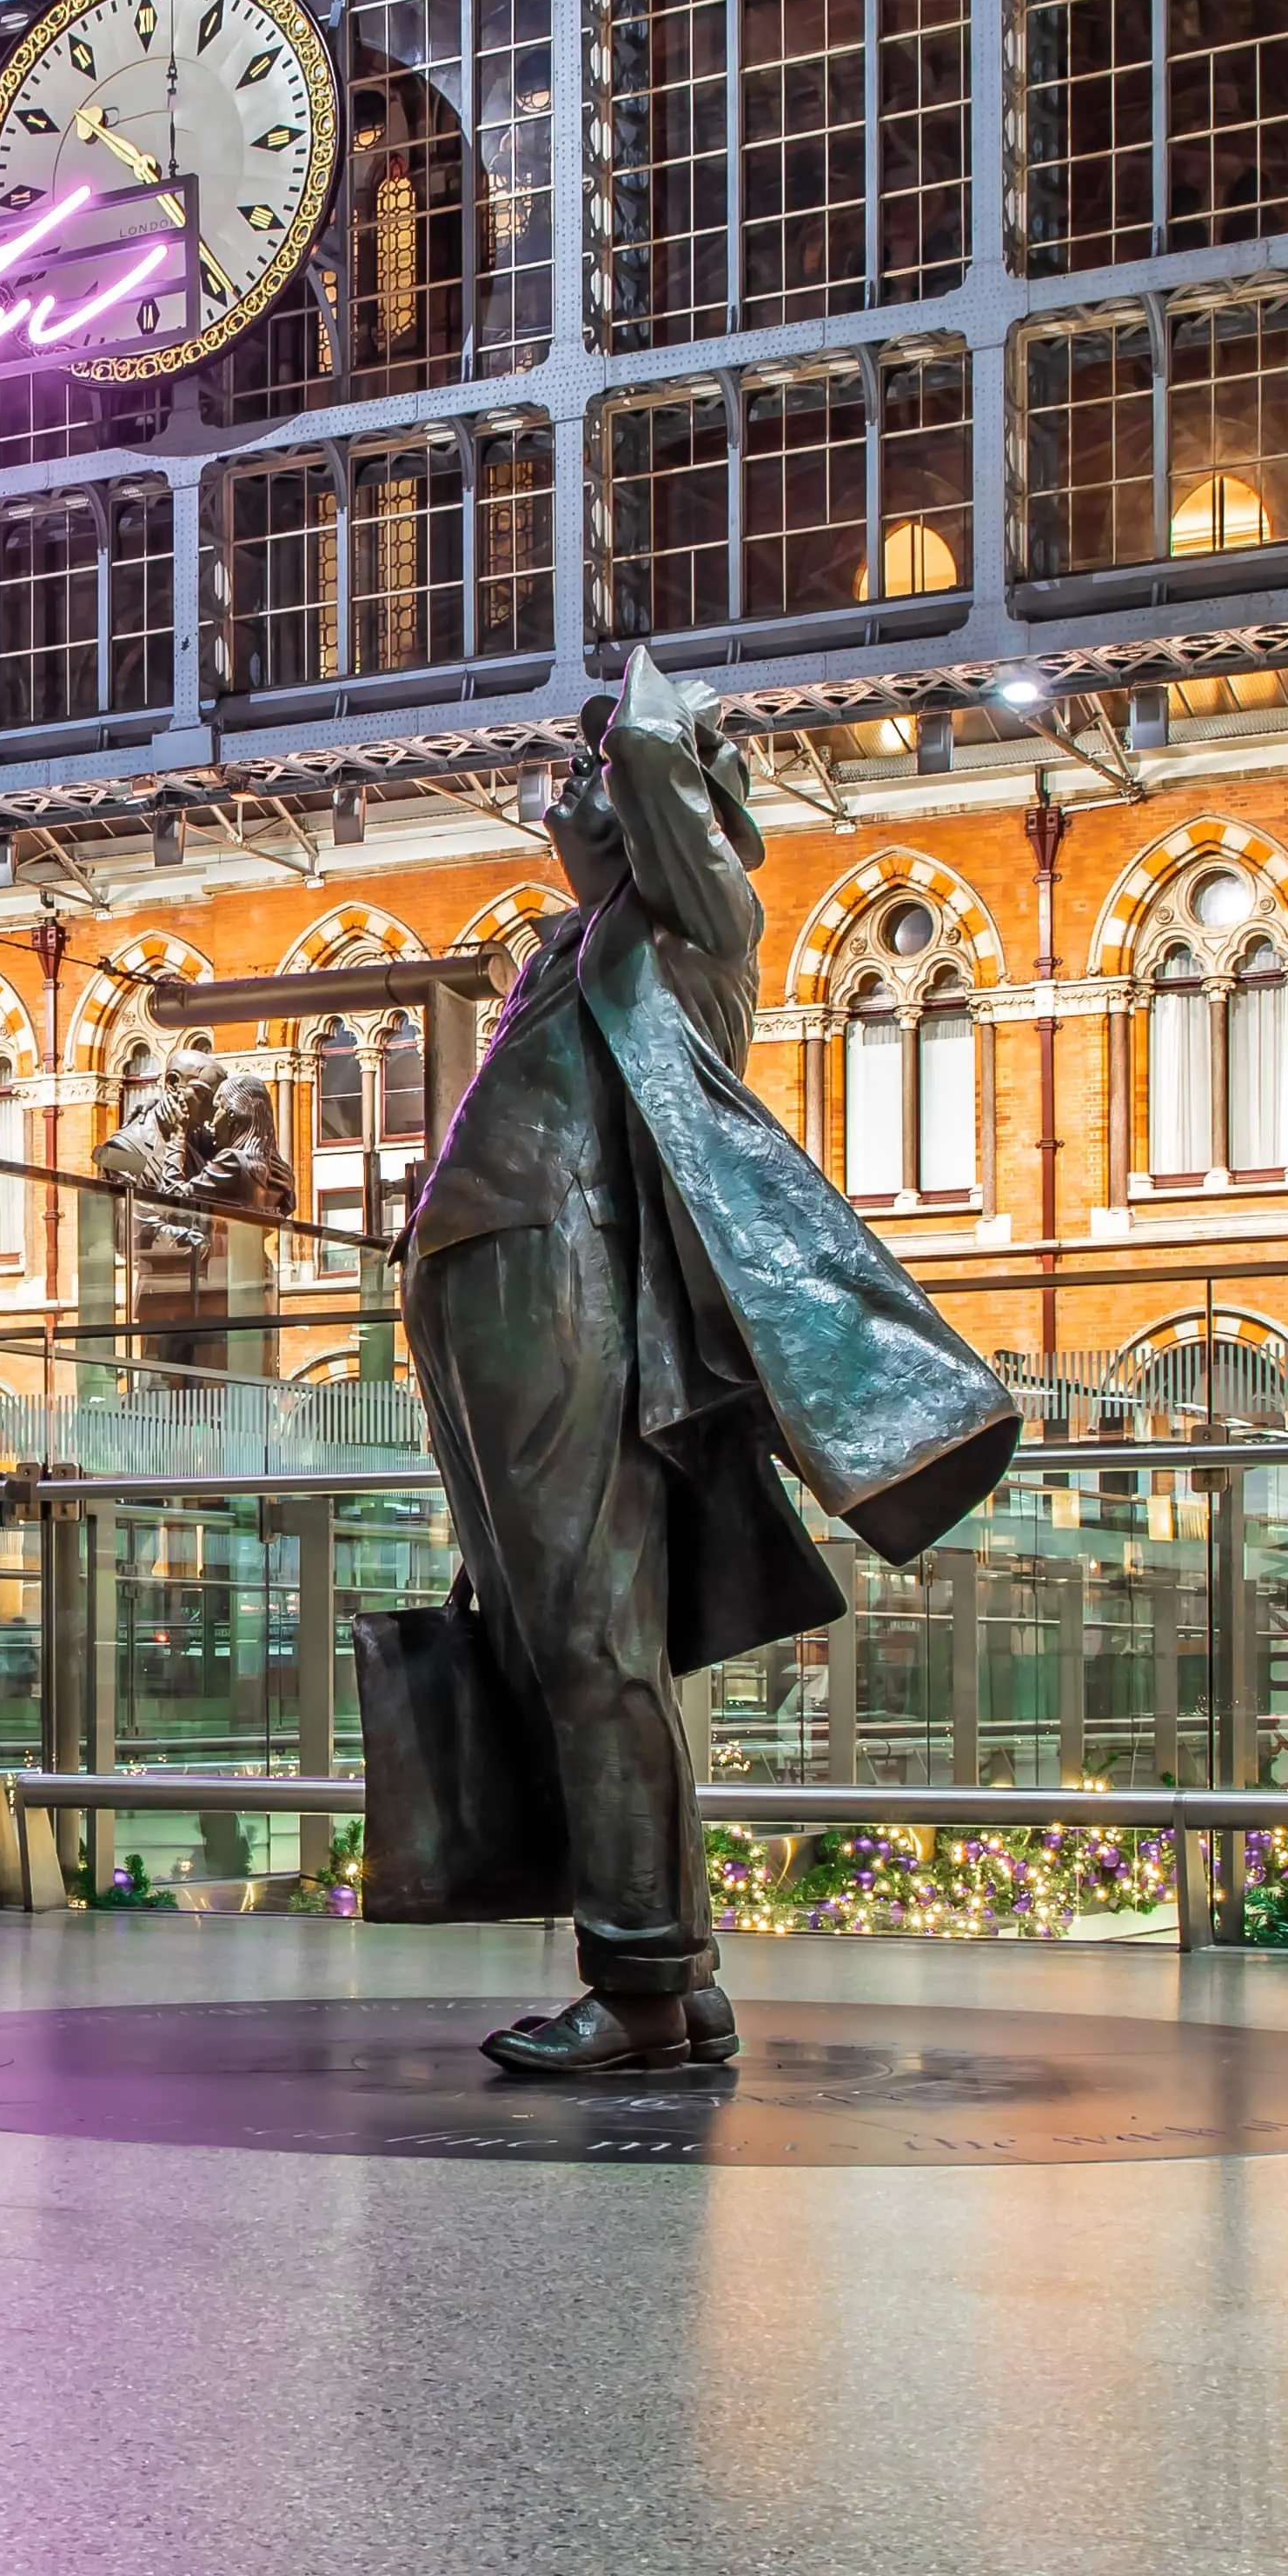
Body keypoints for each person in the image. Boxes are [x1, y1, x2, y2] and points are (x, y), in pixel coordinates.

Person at [397, 651, 1019, 2076]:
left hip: (567, 1280)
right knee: (549, 1630)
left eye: (601, 781)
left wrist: (641, 723)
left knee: (587, 1636)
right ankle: (677, 1967)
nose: (575, 796)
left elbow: (667, 783)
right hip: (495, 1295)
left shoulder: (697, 919)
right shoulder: (586, 940)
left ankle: (640, 1988)